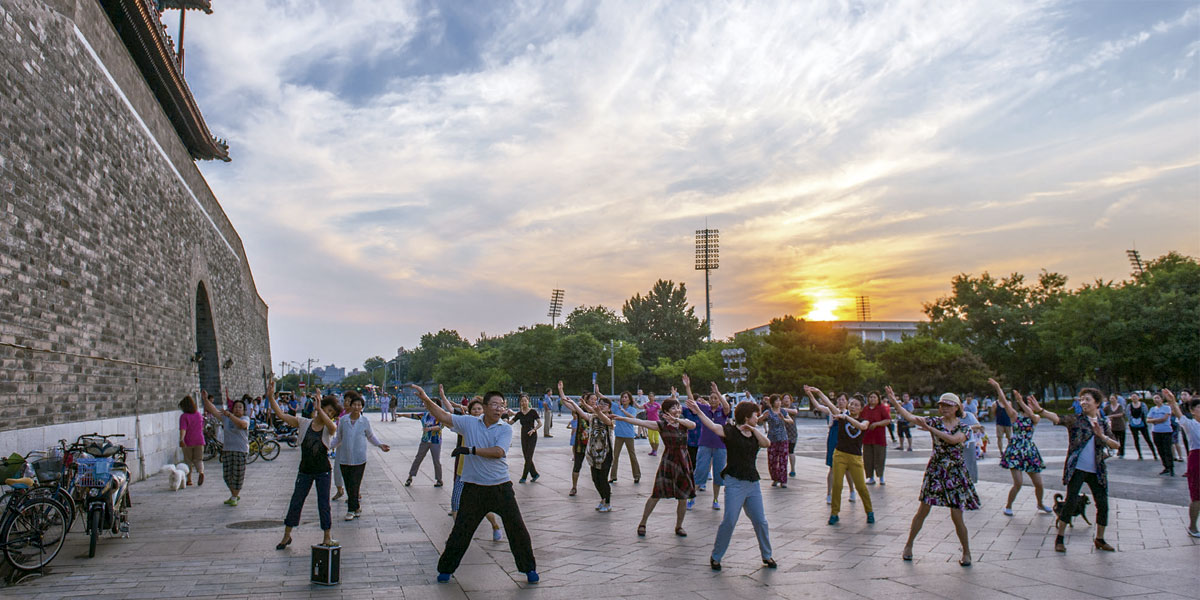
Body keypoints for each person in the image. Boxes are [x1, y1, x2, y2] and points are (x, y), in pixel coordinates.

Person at [409, 385, 539, 585]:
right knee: (461, 531)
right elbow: (443, 416)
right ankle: (445, 570)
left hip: (500, 487)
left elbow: (498, 452)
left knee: (517, 529)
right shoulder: (469, 423)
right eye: (494, 404)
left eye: (502, 405)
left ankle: (529, 569)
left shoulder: (504, 428)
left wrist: (470, 450)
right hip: (474, 488)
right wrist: (426, 399)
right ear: (485, 407)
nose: (498, 409)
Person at [887, 389, 979, 566]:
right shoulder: (935, 422)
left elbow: (954, 440)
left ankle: (966, 552)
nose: (944, 408)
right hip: (936, 470)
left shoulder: (964, 427)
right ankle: (909, 545)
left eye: (948, 405)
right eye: (942, 405)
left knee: (957, 515)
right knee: (923, 509)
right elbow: (910, 417)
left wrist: (930, 429)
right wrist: (895, 402)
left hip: (955, 471)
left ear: (956, 408)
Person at [687, 396, 775, 571]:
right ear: (745, 416)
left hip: (752, 483)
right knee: (729, 520)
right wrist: (698, 411)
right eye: (754, 416)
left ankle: (767, 555)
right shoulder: (731, 432)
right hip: (734, 482)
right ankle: (716, 556)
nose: (757, 418)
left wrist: (753, 428)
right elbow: (713, 427)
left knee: (761, 521)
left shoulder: (755, 434)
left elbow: (767, 443)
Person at [1029, 390, 1119, 553]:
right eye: (1081, 400)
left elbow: (1116, 445)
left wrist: (1102, 436)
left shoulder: (1103, 423)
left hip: (1096, 470)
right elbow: (1058, 418)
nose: (1083, 402)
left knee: (1103, 504)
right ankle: (1060, 538)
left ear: (1097, 403)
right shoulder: (1077, 420)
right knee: (1070, 502)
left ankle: (1100, 539)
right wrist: (1041, 410)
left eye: (1087, 400)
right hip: (1077, 468)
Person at [267, 382, 339, 549]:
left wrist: (320, 409)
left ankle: (327, 536)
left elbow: (333, 426)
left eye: (331, 413)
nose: (328, 414)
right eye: (328, 410)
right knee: (296, 501)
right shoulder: (304, 423)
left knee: (323, 504)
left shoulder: (329, 429)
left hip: (323, 472)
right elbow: (282, 415)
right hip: (305, 471)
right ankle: (286, 535)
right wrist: (271, 397)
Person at [612, 397, 696, 537]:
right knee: (656, 494)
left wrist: (677, 420)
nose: (677, 410)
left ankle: (679, 526)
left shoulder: (683, 424)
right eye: (674, 408)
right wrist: (623, 419)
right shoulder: (661, 425)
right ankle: (643, 523)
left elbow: (692, 424)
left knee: (683, 497)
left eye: (678, 407)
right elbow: (641, 422)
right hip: (669, 461)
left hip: (683, 461)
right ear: (666, 411)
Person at [808, 386, 873, 525]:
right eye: (851, 404)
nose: (853, 407)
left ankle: (869, 512)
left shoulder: (863, 421)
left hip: (855, 457)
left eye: (856, 405)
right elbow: (829, 404)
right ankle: (834, 513)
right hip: (840, 455)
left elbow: (862, 427)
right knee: (837, 485)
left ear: (861, 408)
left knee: (861, 486)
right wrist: (818, 392)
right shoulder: (842, 415)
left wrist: (846, 417)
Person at [987, 379, 1051, 516]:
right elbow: (1004, 401)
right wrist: (998, 387)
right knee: (1018, 483)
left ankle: (1040, 503)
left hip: (1029, 451)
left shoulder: (1036, 418)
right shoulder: (1015, 417)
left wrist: (1021, 401)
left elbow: (1032, 414)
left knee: (1039, 483)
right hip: (1015, 451)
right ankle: (1008, 505)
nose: (1029, 406)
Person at [329, 391, 390, 520]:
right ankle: (356, 507)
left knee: (355, 484)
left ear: (362, 407)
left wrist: (380, 445)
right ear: (350, 406)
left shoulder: (364, 421)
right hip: (345, 458)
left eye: (359, 405)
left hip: (359, 458)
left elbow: (370, 436)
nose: (357, 407)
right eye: (354, 405)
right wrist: (327, 446)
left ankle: (351, 510)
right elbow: (338, 438)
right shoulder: (344, 420)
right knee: (348, 484)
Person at [560, 382, 615, 511]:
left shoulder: (610, 419)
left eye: (604, 405)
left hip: (605, 454)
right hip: (593, 453)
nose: (601, 406)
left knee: (603, 478)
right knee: (595, 479)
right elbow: (583, 414)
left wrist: (595, 410)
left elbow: (605, 420)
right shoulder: (593, 417)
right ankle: (602, 499)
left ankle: (607, 502)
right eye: (600, 404)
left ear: (609, 408)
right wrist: (574, 404)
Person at [806, 389, 857, 505]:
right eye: (839, 399)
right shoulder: (832, 411)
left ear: (847, 402)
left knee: (847, 469)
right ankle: (829, 493)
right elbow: (819, 406)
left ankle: (852, 491)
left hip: (845, 441)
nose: (841, 401)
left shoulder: (849, 413)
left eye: (843, 400)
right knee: (832, 468)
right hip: (833, 439)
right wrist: (810, 395)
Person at [688, 376, 732, 511]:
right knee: (700, 470)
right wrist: (687, 386)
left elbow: (727, 407)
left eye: (716, 398)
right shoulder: (704, 409)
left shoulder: (722, 412)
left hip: (720, 446)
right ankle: (692, 497)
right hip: (705, 444)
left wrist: (718, 392)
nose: (713, 400)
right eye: (711, 398)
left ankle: (715, 499)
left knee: (719, 473)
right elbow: (692, 402)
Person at [1162, 389, 1200, 537]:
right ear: (1192, 411)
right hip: (1197, 459)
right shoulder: (1190, 424)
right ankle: (1193, 526)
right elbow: (1178, 414)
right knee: (1197, 495)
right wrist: (1172, 401)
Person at [202, 390, 248, 506]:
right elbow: (213, 410)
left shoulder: (245, 419)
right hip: (227, 450)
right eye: (236, 407)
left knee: (237, 475)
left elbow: (242, 425)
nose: (237, 409)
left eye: (240, 407)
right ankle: (234, 495)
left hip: (240, 451)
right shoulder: (226, 418)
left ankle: (234, 497)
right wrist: (205, 399)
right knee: (227, 475)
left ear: (243, 410)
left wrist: (230, 415)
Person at [506, 394, 542, 483]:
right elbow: (510, 423)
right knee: (526, 457)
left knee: (529, 456)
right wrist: (505, 418)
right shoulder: (519, 414)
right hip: (524, 435)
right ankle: (535, 474)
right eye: (522, 401)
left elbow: (540, 423)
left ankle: (524, 477)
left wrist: (534, 430)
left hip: (532, 435)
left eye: (525, 400)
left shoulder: (533, 412)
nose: (524, 402)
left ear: (528, 401)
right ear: (520, 402)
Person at [406, 405, 445, 487]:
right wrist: (401, 415)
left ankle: (439, 479)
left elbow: (440, 426)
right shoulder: (424, 415)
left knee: (436, 460)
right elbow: (413, 415)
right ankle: (410, 477)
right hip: (425, 440)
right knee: (418, 458)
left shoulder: (440, 416)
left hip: (435, 441)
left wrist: (430, 429)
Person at [761, 394, 794, 488]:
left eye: (780, 400)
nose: (779, 402)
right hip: (772, 439)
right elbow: (759, 422)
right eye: (776, 401)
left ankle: (783, 481)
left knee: (783, 460)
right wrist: (763, 417)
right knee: (772, 460)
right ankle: (775, 478)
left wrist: (784, 419)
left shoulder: (783, 411)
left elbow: (791, 420)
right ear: (772, 402)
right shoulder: (768, 412)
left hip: (783, 438)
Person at [859, 391, 892, 485]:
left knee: (880, 457)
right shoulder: (865, 409)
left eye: (874, 397)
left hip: (879, 438)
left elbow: (887, 420)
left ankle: (881, 476)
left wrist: (877, 424)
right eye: (871, 397)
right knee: (868, 458)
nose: (872, 399)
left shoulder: (881, 408)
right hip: (867, 438)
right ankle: (870, 477)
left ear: (878, 399)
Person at [609, 391, 642, 484]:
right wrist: (598, 393)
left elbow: (632, 417)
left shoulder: (632, 409)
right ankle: (613, 476)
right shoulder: (617, 407)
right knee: (615, 456)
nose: (624, 399)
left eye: (626, 397)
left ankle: (637, 475)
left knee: (632, 455)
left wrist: (623, 411)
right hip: (619, 435)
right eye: (622, 397)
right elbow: (607, 401)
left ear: (630, 400)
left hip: (628, 435)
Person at [178, 395, 205, 487]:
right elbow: (202, 426)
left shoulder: (184, 416)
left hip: (188, 441)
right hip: (200, 440)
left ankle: (189, 480)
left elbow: (183, 429)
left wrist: (181, 439)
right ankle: (201, 472)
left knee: (188, 461)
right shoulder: (198, 414)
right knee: (198, 459)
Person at [1148, 393, 1176, 476]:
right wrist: (1155, 420)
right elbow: (1148, 420)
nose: (1156, 399)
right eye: (1154, 398)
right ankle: (1165, 466)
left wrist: (1154, 420)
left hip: (1166, 431)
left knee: (1167, 449)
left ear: (1161, 399)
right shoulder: (1152, 409)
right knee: (1160, 450)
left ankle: (1171, 467)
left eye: (1157, 398)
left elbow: (1164, 419)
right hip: (1156, 431)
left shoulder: (1167, 408)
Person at [1127, 393, 1156, 461]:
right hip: (1133, 425)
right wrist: (1131, 422)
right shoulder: (1129, 406)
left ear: (1138, 397)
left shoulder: (1143, 405)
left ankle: (1154, 454)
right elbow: (1128, 414)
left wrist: (1146, 421)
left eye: (1135, 396)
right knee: (1136, 439)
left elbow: (1146, 413)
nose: (1134, 398)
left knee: (1147, 439)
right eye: (1132, 397)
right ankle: (1139, 455)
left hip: (1143, 424)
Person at [781, 393, 801, 476]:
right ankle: (783, 470)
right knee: (782, 452)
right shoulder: (780, 408)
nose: (786, 400)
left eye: (788, 398)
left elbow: (795, 411)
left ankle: (793, 469)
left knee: (791, 451)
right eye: (785, 398)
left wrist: (783, 409)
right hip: (782, 432)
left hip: (792, 433)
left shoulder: (793, 407)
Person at [1104, 394, 1127, 458]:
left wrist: (1111, 416)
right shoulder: (1107, 407)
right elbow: (1102, 413)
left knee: (1122, 440)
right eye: (1111, 398)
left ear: (1116, 399)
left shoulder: (1120, 406)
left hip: (1120, 426)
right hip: (1112, 426)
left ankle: (1121, 453)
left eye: (1113, 398)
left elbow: (1121, 414)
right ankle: (1112, 451)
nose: (1112, 400)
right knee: (1113, 440)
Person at [642, 392, 662, 456]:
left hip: (656, 423)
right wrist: (634, 402)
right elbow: (639, 407)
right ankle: (653, 450)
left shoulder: (656, 404)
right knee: (650, 438)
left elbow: (662, 408)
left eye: (652, 396)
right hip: (649, 423)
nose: (651, 397)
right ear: (648, 397)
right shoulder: (646, 405)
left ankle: (655, 451)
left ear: (654, 397)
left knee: (656, 437)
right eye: (649, 396)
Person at [994, 391, 1012, 455]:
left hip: (1008, 422)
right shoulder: (995, 403)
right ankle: (1001, 452)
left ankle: (1009, 451)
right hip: (999, 423)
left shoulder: (1009, 403)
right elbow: (994, 412)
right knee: (999, 437)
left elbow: (1011, 412)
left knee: (1009, 438)